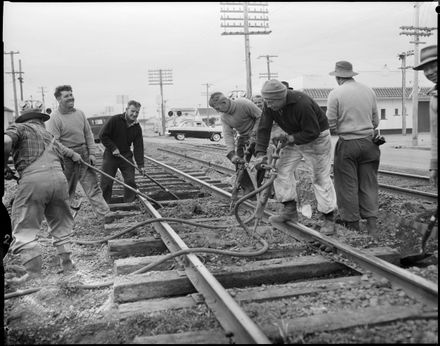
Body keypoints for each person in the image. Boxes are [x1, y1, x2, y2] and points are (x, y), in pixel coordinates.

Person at [4, 100, 82, 282]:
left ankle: (34, 277)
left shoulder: (20, 128)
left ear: (24, 118)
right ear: (40, 118)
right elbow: (71, 154)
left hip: (34, 181)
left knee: (25, 229)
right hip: (59, 180)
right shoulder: (48, 135)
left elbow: (6, 140)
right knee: (60, 226)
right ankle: (68, 268)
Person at [254, 79, 337, 234]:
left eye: (272, 102)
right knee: (278, 170)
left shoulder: (302, 104)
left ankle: (329, 218)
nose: (269, 106)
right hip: (293, 136)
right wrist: (259, 154)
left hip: (317, 138)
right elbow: (264, 128)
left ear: (281, 98)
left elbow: (312, 131)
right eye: (267, 102)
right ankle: (290, 210)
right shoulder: (269, 103)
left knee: (319, 177)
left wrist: (290, 139)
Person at [326, 61, 380, 235]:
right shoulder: (369, 90)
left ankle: (353, 226)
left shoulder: (335, 94)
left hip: (348, 143)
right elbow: (375, 121)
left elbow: (330, 123)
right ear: (351, 74)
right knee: (369, 184)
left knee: (347, 185)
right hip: (369, 143)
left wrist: (340, 127)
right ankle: (372, 226)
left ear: (338, 77)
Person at [46, 85, 109, 226]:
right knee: (65, 192)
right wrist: (71, 154)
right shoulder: (54, 118)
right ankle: (63, 225)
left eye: (71, 94)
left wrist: (92, 153)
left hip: (84, 154)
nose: (70, 97)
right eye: (66, 96)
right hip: (66, 159)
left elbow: (88, 134)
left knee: (93, 188)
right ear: (58, 99)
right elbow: (54, 143)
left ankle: (105, 217)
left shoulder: (80, 114)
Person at [209, 92, 262, 194]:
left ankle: (262, 187)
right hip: (244, 137)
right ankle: (248, 189)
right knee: (239, 162)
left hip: (259, 135)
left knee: (262, 160)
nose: (217, 111)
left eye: (218, 108)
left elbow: (261, 116)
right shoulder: (224, 117)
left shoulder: (244, 103)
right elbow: (228, 135)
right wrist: (231, 153)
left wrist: (254, 132)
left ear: (224, 102)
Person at [99, 100, 145, 204]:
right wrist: (113, 148)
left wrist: (141, 165)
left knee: (130, 181)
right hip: (111, 155)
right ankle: (105, 205)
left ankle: (129, 203)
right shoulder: (115, 120)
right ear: (126, 110)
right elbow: (103, 135)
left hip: (125, 155)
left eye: (137, 112)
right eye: (132, 111)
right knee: (106, 182)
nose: (134, 114)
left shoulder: (137, 127)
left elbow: (138, 147)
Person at [414, 45, 437, 187]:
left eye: (434, 66)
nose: (429, 72)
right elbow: (435, 135)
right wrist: (434, 165)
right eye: (425, 69)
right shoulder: (434, 95)